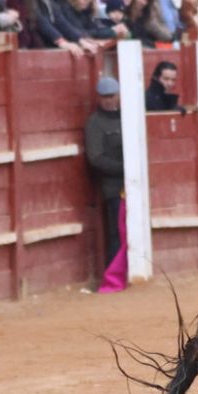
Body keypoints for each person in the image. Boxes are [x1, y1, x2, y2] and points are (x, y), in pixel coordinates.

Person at [84, 77, 125, 280]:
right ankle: (113, 276)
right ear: (99, 98)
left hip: (135, 184)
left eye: (112, 96)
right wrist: (127, 169)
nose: (109, 101)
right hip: (114, 187)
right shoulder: (95, 123)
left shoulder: (127, 115)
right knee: (117, 234)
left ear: (118, 95)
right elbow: (96, 158)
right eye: (105, 97)